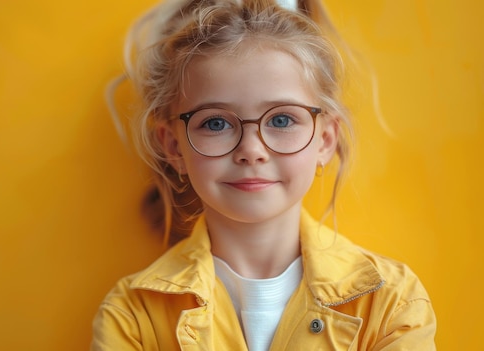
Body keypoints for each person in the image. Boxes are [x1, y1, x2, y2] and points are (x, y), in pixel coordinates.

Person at [91, 0, 436, 349]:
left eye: (282, 120)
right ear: (174, 146)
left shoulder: (392, 302)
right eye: (215, 122)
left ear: (325, 140)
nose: (251, 150)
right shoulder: (132, 316)